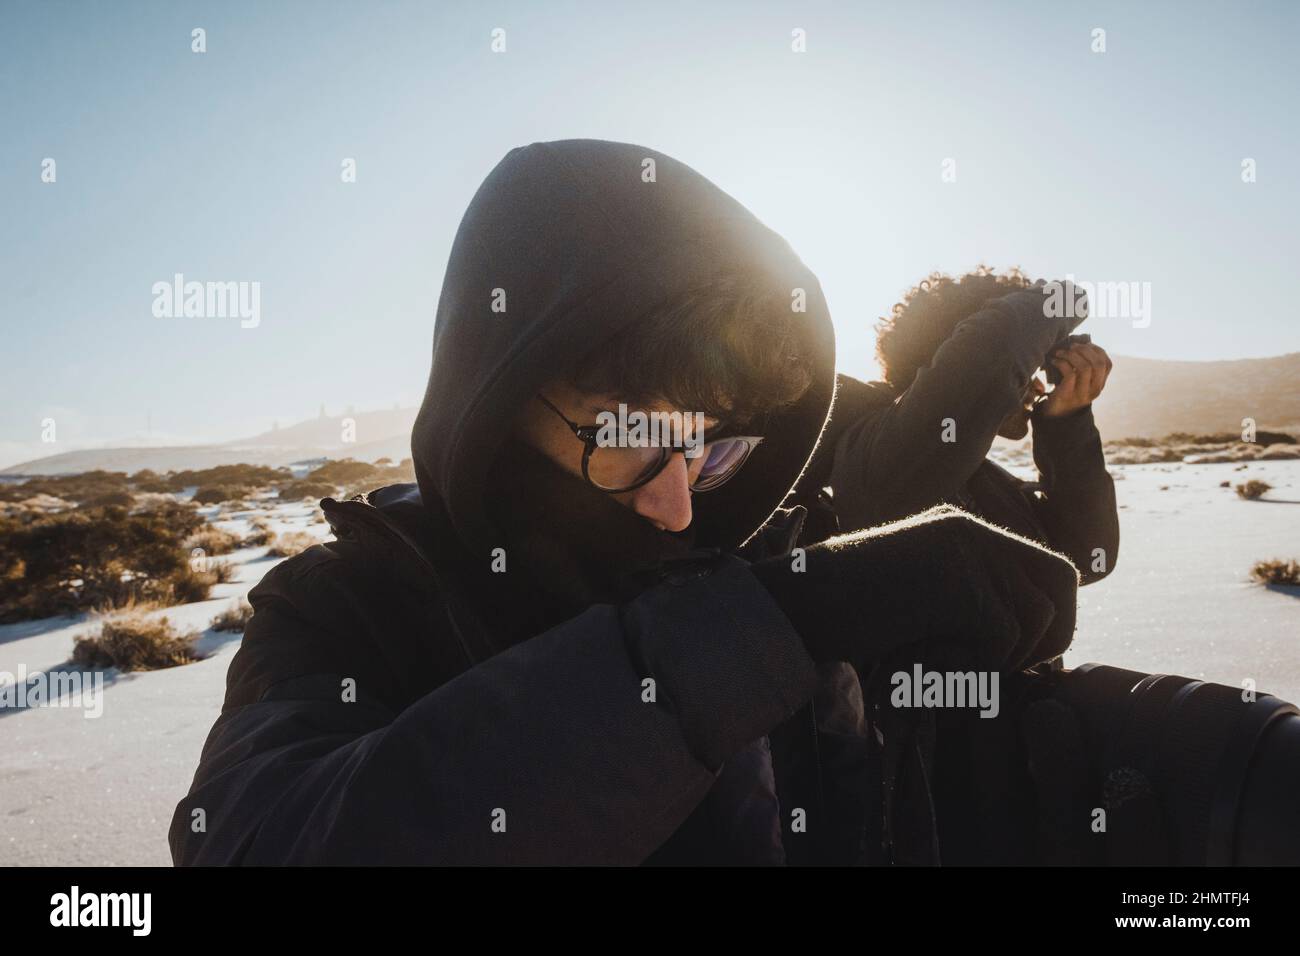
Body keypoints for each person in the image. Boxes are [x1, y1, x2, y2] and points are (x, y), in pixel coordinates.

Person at [170, 141, 1079, 866]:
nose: (681, 509)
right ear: (497, 398)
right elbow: (259, 838)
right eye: (635, 438)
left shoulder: (764, 552)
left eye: (715, 445)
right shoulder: (348, 608)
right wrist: (762, 635)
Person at [810, 268, 1119, 586]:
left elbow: (1087, 559)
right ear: (953, 355)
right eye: (1032, 367)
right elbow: (999, 344)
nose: (1038, 385)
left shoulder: (978, 479)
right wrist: (1068, 299)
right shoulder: (880, 453)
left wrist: (1065, 424)